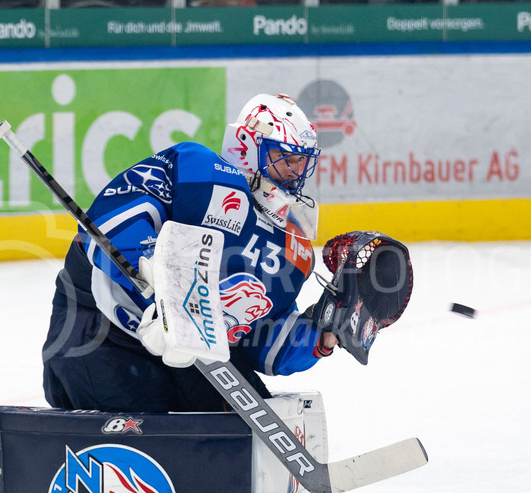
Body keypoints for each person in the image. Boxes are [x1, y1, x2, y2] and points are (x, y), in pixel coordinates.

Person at [42, 94, 338, 414]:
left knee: (242, 429)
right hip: (103, 333)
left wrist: (322, 336)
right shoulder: (197, 170)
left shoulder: (294, 246)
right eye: (285, 157)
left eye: (302, 161)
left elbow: (264, 343)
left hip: (196, 355)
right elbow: (111, 218)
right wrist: (154, 269)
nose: (296, 171)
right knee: (148, 434)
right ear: (247, 146)